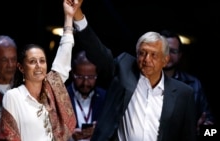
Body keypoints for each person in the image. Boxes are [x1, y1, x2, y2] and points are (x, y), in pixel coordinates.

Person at [70, 0, 198, 140]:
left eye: (153, 55)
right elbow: (98, 52)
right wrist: (77, 15)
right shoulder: (124, 70)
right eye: (142, 53)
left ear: (165, 60)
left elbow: (188, 136)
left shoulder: (183, 93)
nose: (147, 59)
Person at [0, 0, 79, 141]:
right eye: (32, 62)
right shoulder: (14, 96)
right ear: (21, 67)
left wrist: (69, 18)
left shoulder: (52, 88)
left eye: (42, 61)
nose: (38, 66)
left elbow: (64, 54)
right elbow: (9, 137)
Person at [160, 29, 214, 134]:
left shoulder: (194, 84)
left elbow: (209, 123)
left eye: (173, 51)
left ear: (180, 55)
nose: (167, 55)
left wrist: (204, 129)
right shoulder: (140, 80)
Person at [67, 50, 106, 141]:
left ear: (97, 75)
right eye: (80, 77)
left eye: (91, 77)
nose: (85, 83)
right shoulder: (62, 97)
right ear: (73, 73)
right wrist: (70, 138)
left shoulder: (105, 98)